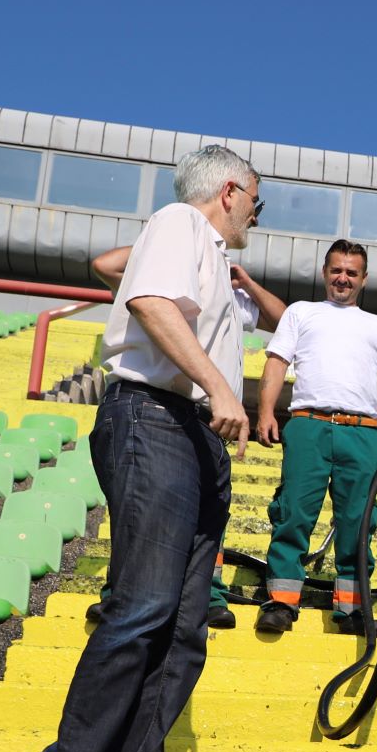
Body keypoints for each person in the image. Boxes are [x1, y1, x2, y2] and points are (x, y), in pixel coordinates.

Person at [26, 145, 258, 752]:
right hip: (156, 418)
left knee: (185, 624)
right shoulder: (180, 222)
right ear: (229, 190)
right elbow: (150, 301)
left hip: (196, 432)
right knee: (144, 605)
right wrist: (220, 388)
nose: (256, 214)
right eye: (256, 200)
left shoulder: (208, 250)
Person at [84, 243, 287, 630]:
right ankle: (118, 594)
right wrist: (172, 240)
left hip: (207, 415)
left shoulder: (228, 295)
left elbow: (286, 320)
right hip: (160, 405)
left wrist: (246, 282)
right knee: (142, 510)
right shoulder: (161, 277)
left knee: (205, 517)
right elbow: (103, 264)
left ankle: (208, 595)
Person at [254, 240, 377, 637]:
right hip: (308, 425)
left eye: (351, 272)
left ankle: (351, 609)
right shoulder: (300, 313)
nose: (343, 278)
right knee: (294, 512)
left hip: (362, 433)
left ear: (364, 278)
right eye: (337, 270)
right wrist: (265, 412)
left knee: (358, 522)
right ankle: (281, 602)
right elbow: (276, 365)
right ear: (325, 272)